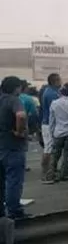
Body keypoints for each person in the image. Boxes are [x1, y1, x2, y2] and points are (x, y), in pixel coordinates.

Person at [0, 76, 29, 219]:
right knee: (14, 180)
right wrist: (20, 131)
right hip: (13, 147)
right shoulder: (14, 100)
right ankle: (14, 211)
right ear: (16, 88)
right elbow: (21, 115)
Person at [48, 83, 68, 182]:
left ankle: (51, 173)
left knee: (55, 154)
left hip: (58, 132)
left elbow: (52, 120)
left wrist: (51, 133)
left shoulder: (54, 103)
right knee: (67, 155)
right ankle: (64, 174)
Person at [40, 73, 61, 183]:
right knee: (49, 148)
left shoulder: (48, 91)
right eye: (59, 80)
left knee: (49, 148)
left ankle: (49, 172)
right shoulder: (52, 94)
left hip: (47, 123)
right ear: (54, 81)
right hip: (49, 124)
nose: (60, 82)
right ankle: (46, 174)